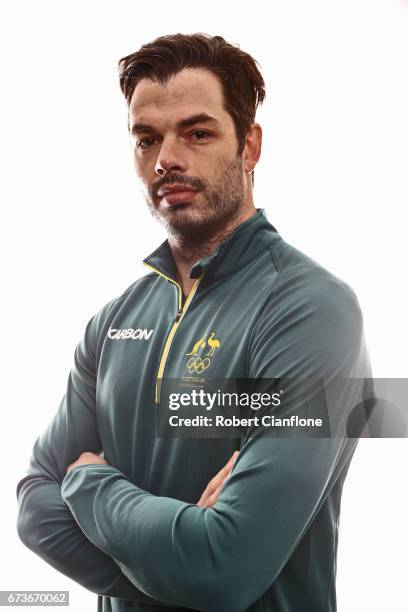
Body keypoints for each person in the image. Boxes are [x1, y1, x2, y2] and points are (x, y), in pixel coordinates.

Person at [16, 33, 371, 612]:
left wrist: (88, 483)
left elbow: (223, 568)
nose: (167, 159)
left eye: (197, 132)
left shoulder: (310, 309)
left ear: (249, 146)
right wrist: (179, 570)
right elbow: (34, 507)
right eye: (146, 138)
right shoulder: (112, 322)